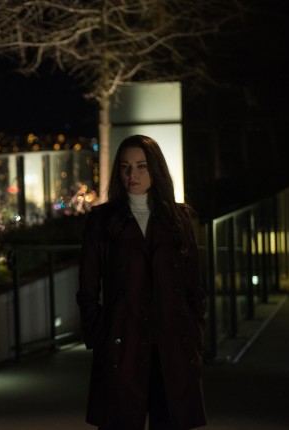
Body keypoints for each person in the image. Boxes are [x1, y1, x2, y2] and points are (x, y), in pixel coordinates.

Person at [76, 135, 206, 430]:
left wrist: (195, 332)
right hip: (123, 345)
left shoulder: (179, 219)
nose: (132, 174)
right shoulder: (102, 221)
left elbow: (194, 286)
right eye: (125, 167)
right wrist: (100, 335)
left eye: (141, 166)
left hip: (172, 345)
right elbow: (87, 290)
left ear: (155, 169)